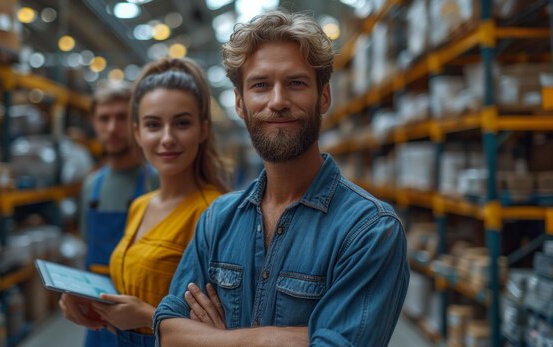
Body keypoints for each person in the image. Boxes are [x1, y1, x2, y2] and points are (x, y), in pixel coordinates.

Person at [153, 10, 410, 346]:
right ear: (240, 103)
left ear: (324, 97)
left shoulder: (370, 230)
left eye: (296, 83)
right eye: (261, 85)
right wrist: (267, 340)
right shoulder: (218, 220)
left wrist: (215, 338)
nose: (277, 101)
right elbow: (168, 331)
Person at [60, 57, 230, 347]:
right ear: (138, 133)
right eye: (153, 125)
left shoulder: (216, 213)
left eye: (182, 123)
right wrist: (79, 294)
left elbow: (225, 331)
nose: (167, 138)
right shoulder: (141, 205)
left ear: (203, 129)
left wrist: (147, 316)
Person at [77, 80, 155, 347]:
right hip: (97, 320)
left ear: (137, 121)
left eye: (121, 117)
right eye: (104, 118)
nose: (112, 128)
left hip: (141, 324)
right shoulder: (91, 187)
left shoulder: (157, 182)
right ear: (94, 122)